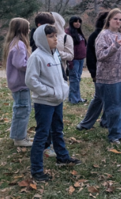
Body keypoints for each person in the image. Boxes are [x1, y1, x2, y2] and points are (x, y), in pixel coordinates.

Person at [26, 24, 80, 183]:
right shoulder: (36, 57)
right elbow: (31, 81)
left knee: (58, 129)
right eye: (51, 36)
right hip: (44, 102)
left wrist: (63, 88)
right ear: (42, 38)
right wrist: (49, 92)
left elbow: (60, 75)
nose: (55, 39)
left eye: (55, 35)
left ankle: (62, 157)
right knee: (42, 134)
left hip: (57, 100)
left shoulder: (55, 53)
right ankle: (36, 169)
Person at [95, 8, 121, 145]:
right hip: (111, 77)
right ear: (109, 20)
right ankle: (114, 135)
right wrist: (114, 47)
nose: (118, 21)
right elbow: (100, 55)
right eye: (116, 19)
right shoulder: (103, 35)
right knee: (115, 107)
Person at [4, 17, 33, 147]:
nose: (30, 30)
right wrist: (34, 66)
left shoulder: (15, 43)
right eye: (28, 27)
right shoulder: (19, 45)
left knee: (21, 109)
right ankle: (19, 138)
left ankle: (20, 135)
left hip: (19, 83)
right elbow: (21, 64)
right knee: (22, 110)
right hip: (20, 84)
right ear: (23, 29)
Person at [66, 16, 87, 104]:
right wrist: (69, 62)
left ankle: (76, 98)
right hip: (73, 60)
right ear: (71, 22)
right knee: (74, 79)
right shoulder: (68, 33)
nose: (78, 23)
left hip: (81, 59)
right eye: (76, 22)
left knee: (77, 78)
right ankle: (74, 99)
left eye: (79, 22)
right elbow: (67, 48)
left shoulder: (79, 32)